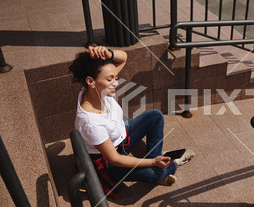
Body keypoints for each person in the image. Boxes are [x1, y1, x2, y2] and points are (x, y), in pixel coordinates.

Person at [68, 45, 194, 198]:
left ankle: (155, 162)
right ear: (91, 81)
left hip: (121, 137)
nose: (115, 83)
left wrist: (109, 53)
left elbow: (124, 58)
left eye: (115, 77)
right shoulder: (90, 122)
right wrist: (154, 162)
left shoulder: (95, 88)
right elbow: (114, 158)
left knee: (155, 116)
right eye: (110, 79)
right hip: (109, 161)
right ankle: (170, 164)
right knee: (154, 172)